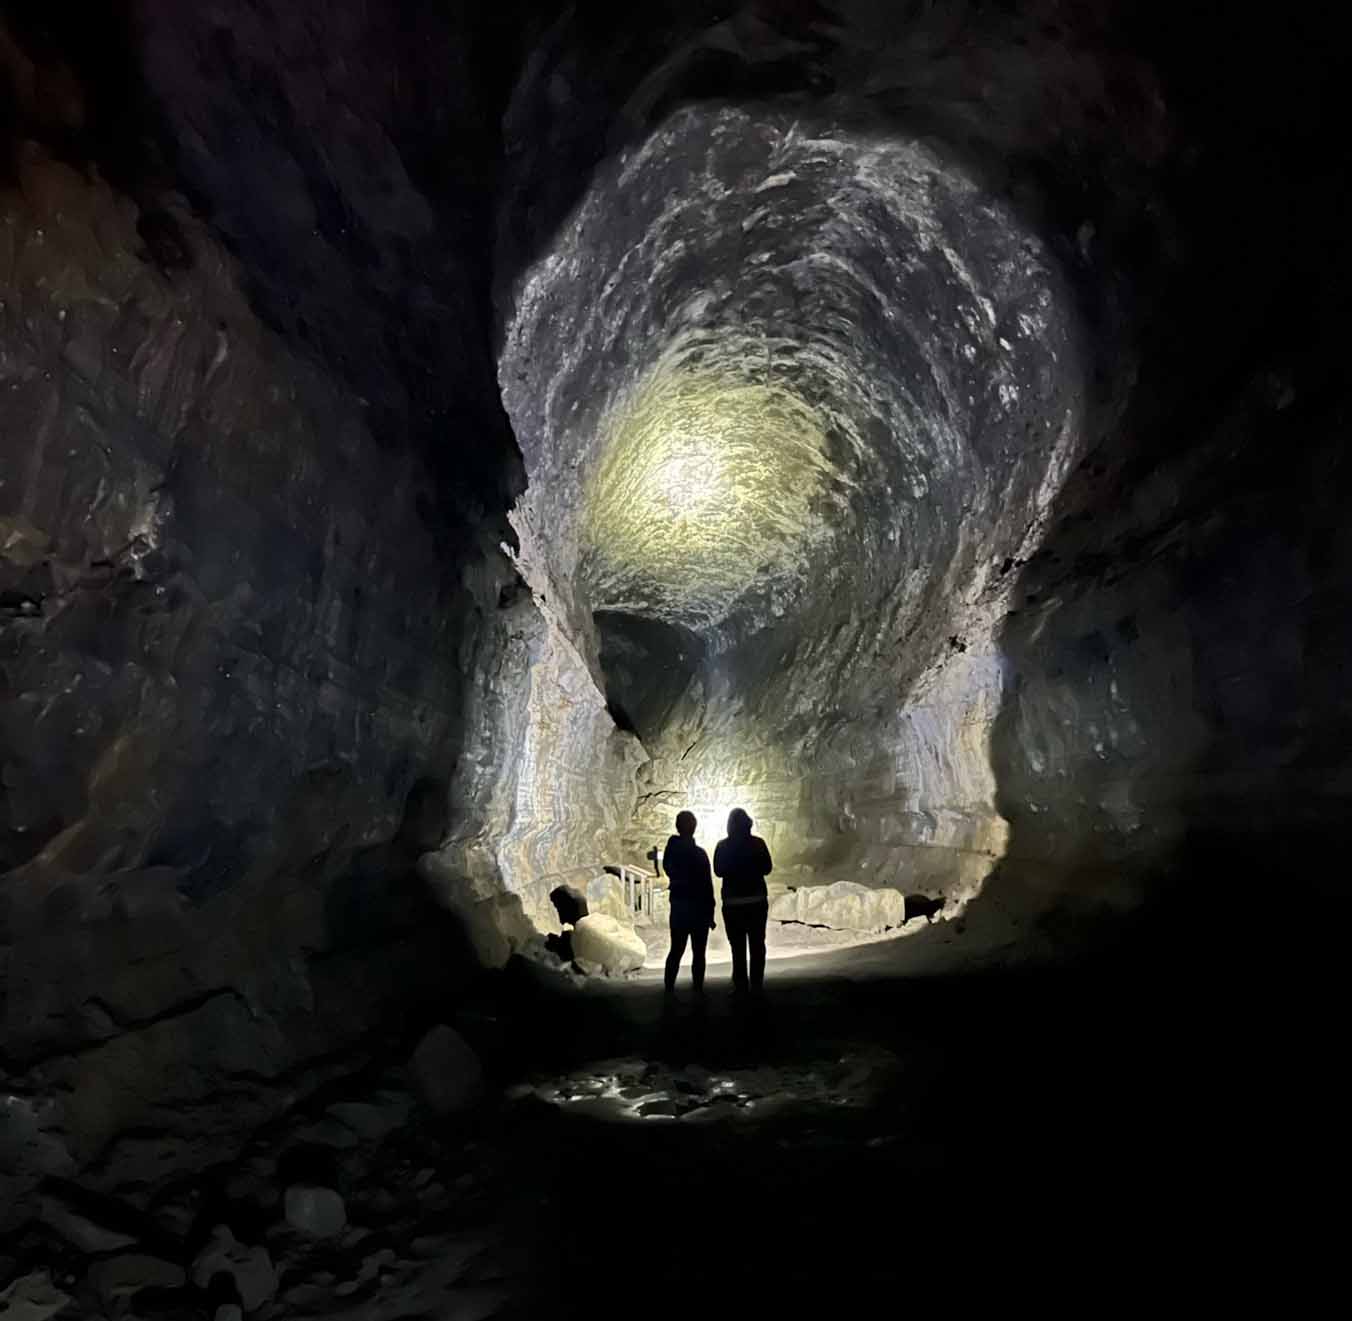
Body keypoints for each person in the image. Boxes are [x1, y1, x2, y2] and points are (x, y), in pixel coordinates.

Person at [713, 808, 773, 994]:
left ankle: (740, 985)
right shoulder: (758, 843)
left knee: (737, 947)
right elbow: (767, 868)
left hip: (733, 903)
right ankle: (757, 984)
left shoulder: (723, 846)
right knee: (757, 944)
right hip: (756, 901)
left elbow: (718, 871)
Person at [662, 810, 715, 993]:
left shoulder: (673, 852)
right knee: (698, 953)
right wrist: (711, 912)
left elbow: (669, 869)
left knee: (676, 950)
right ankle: (698, 990)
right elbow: (708, 886)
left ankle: (669, 989)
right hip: (698, 909)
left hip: (680, 908)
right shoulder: (699, 854)